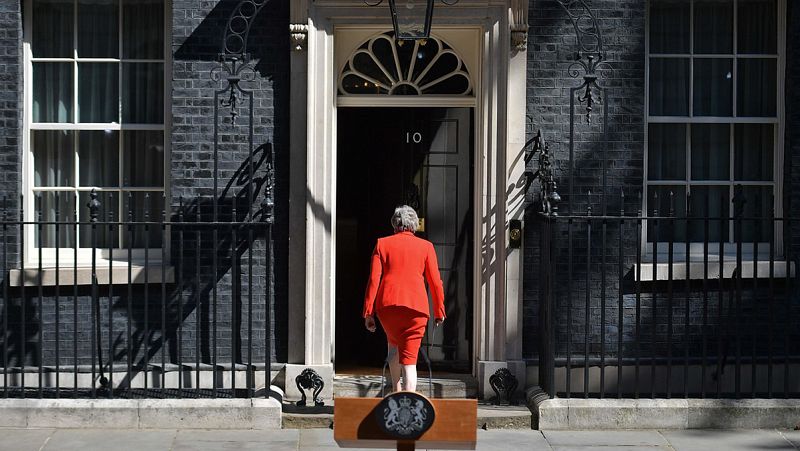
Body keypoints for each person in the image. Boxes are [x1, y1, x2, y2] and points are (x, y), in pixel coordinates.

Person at [362, 205, 446, 393]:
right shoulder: (426, 247)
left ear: (395, 224)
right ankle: (408, 402)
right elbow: (435, 282)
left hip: (388, 306)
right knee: (409, 360)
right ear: (414, 225)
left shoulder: (382, 244)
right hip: (416, 308)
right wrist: (439, 311)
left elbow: (374, 280)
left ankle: (395, 390)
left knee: (393, 347)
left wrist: (368, 312)